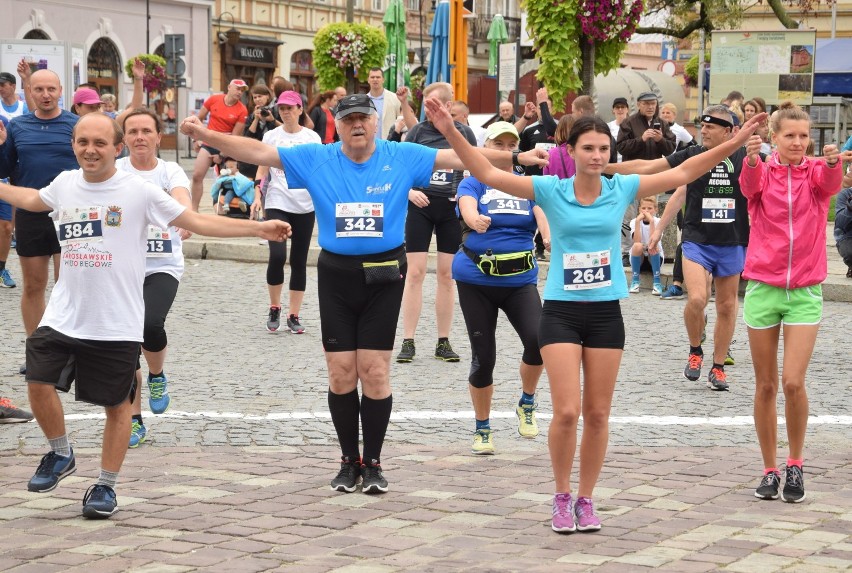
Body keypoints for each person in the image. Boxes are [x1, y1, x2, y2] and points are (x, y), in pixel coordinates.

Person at [424, 94, 765, 533]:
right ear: (571, 151)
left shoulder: (620, 187)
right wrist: (451, 130)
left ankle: (586, 499)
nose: (597, 155)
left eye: (604, 149)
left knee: (598, 414)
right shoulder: (550, 189)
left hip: (606, 314)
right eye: (589, 148)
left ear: (611, 153)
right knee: (567, 412)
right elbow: (488, 172)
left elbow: (683, 171)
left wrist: (735, 142)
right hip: (562, 314)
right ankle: (561, 495)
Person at [180, 93, 548, 495]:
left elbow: (462, 159)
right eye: (348, 118)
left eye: (364, 118)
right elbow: (256, 150)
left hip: (384, 273)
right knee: (340, 374)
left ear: (376, 122)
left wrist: (516, 159)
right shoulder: (316, 157)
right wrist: (205, 134)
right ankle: (347, 461)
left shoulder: (401, 155)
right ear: (336, 125)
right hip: (337, 275)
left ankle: (372, 462)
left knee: (374, 371)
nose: (357, 124)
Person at [0, 112, 291, 519]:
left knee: (118, 406)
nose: (90, 149)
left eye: (100, 143)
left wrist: (256, 229)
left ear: (115, 148)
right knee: (37, 382)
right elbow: (33, 199)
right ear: (74, 146)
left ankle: (106, 485)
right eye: (83, 142)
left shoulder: (138, 191)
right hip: (65, 314)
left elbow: (196, 221)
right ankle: (61, 453)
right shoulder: (65, 184)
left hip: (117, 320)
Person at [608, 106, 756, 390]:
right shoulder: (693, 154)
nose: (705, 130)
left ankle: (719, 366)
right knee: (697, 299)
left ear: (730, 131)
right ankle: (695, 351)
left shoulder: (745, 157)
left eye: (713, 126)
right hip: (697, 239)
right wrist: (606, 167)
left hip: (732, 240)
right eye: (703, 124)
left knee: (727, 305)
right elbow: (649, 169)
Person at [740, 103, 843, 504]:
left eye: (804, 136)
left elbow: (832, 187)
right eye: (790, 136)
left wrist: (833, 164)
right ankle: (769, 469)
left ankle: (795, 463)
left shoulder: (816, 172)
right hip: (763, 289)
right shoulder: (761, 171)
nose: (799, 143)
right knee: (765, 385)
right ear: (774, 138)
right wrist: (750, 161)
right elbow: (749, 189)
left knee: (792, 382)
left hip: (804, 291)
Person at [454, 121, 549, 454]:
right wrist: (473, 219)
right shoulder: (474, 183)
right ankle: (482, 428)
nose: (506, 150)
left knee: (539, 342)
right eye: (499, 144)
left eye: (512, 145)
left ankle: (526, 401)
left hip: (519, 279)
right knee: (484, 357)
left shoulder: (527, 183)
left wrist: (548, 234)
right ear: (485, 147)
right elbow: (465, 206)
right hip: (476, 278)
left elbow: (540, 211)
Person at [116, 108, 193, 448]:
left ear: (158, 137)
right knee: (126, 343)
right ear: (124, 139)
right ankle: (134, 420)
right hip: (120, 266)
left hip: (162, 264)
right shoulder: (115, 170)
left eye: (146, 130)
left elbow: (181, 196)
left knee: (149, 324)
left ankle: (158, 376)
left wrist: (184, 216)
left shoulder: (169, 170)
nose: (140, 137)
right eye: (133, 131)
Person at [0, 70, 78, 375]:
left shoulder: (75, 124)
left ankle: (70, 347)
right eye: (39, 89)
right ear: (29, 91)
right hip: (32, 212)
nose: (45, 94)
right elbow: (6, 167)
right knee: (34, 285)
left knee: (67, 285)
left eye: (51, 89)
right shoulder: (18, 125)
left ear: (60, 90)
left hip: (71, 213)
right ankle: (38, 351)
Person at [396, 82, 476, 364]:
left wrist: (465, 191)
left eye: (435, 105)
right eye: (426, 105)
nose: (429, 110)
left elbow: (476, 168)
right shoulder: (417, 131)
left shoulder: (463, 132)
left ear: (448, 105)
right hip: (421, 206)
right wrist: (409, 191)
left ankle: (443, 341)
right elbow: (399, 170)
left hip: (449, 208)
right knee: (414, 274)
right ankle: (408, 340)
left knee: (446, 275)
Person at [253, 90, 321, 334]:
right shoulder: (271, 136)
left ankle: (294, 314)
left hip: (305, 204)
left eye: (290, 108)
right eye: (282, 108)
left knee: (299, 260)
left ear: (300, 110)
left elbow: (318, 171)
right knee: (277, 255)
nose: (285, 112)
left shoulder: (312, 138)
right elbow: (263, 167)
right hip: (277, 200)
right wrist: (257, 194)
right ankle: (274, 307)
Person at [189, 79, 249, 210]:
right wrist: (196, 139)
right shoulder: (214, 99)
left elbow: (235, 137)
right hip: (208, 142)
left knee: (226, 180)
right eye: (237, 88)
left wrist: (222, 155)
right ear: (228, 87)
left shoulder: (242, 110)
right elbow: (197, 120)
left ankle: (222, 209)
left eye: (242, 90)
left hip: (225, 144)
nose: (240, 92)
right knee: (197, 175)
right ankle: (194, 210)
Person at [240, 84, 279, 181]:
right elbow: (247, 137)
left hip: (273, 152)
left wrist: (272, 120)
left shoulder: (276, 110)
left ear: (268, 96)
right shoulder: (252, 115)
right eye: (255, 97)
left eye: (260, 96)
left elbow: (284, 129)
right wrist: (256, 119)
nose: (257, 99)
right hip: (257, 154)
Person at [628, 195, 664, 294]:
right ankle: (635, 281)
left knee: (653, 245)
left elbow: (653, 241)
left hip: (655, 259)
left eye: (650, 208)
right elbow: (636, 241)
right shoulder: (634, 222)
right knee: (637, 245)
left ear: (655, 209)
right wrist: (638, 222)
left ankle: (657, 283)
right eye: (643, 208)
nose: (646, 211)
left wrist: (652, 221)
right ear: (639, 209)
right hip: (639, 260)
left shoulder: (659, 221)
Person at [366, 68, 401, 141]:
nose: (375, 79)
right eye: (372, 77)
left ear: (383, 80)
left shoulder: (395, 98)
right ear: (368, 80)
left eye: (378, 77)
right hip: (369, 144)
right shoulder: (364, 100)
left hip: (389, 143)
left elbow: (400, 120)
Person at [542, 115, 576, 180]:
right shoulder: (580, 152)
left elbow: (546, 180)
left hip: (555, 189)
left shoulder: (550, 154)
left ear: (558, 131)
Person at [836, 174, 852, 278]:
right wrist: (850, 207)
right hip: (849, 236)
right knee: (849, 251)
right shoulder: (845, 194)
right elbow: (840, 223)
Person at [608, 97, 629, 163]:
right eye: (617, 107)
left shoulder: (633, 126)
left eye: (623, 107)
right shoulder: (608, 127)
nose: (620, 109)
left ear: (627, 109)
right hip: (612, 163)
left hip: (628, 163)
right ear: (613, 110)